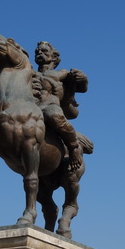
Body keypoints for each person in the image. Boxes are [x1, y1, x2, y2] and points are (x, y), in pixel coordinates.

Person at [33, 41, 89, 171]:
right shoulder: (29, 72)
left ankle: (74, 147)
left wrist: (83, 78)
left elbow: (82, 87)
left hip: (49, 107)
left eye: (44, 51)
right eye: (37, 52)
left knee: (54, 114)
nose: (40, 53)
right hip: (32, 108)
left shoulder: (61, 73)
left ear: (53, 57)